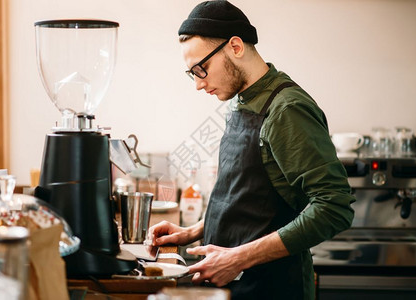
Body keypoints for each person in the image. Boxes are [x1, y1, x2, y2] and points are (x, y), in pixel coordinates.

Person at [149, 1, 355, 299]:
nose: (197, 83)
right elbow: (251, 196)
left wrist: (236, 258)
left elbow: (333, 207)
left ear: (235, 47)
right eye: (191, 73)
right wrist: (192, 230)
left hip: (272, 287)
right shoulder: (242, 99)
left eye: (201, 69)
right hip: (237, 285)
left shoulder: (287, 109)